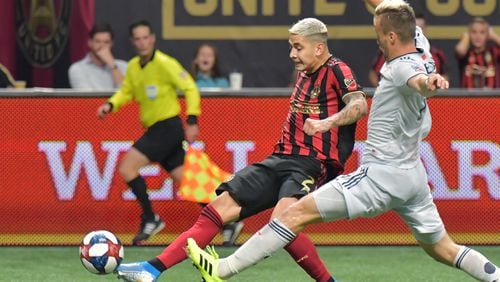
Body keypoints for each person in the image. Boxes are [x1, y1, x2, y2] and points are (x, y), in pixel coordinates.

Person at [186, 1, 500, 281]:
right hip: (412, 177)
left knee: (291, 215)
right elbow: (393, 11)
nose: (376, 37)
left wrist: (430, 84)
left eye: (379, 32)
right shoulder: (419, 43)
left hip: (380, 175)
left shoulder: (404, 66)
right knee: (444, 249)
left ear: (391, 37)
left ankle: (222, 270)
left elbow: (419, 82)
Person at [116, 17, 368, 282]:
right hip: (279, 158)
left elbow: (359, 106)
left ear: (318, 48)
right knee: (217, 208)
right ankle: (151, 269)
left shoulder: (337, 69)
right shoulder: (305, 72)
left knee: (284, 220)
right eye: (291, 47)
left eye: (298, 47)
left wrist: (326, 123)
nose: (292, 54)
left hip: (310, 163)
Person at [96, 20, 201, 245]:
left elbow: (190, 87)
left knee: (127, 168)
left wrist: (192, 119)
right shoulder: (134, 66)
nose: (143, 42)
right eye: (138, 38)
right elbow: (126, 92)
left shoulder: (165, 63)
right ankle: (227, 218)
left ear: (152, 39)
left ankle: (150, 218)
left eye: (146, 37)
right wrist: (111, 105)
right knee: (186, 181)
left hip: (168, 127)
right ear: (133, 42)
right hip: (156, 129)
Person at [367, 12, 449, 87]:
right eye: (414, 29)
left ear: (425, 29)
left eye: (420, 29)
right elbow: (373, 75)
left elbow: (443, 77)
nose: (417, 33)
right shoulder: (392, 52)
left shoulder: (436, 54)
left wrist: (436, 84)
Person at [69, 23, 127, 90]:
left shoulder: (124, 66)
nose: (102, 46)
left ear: (111, 44)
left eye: (106, 42)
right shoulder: (77, 68)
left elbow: (126, 93)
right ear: (90, 43)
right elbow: (86, 97)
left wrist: (113, 65)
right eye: (98, 41)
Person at [455, 17, 500, 88]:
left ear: (487, 35)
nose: (478, 36)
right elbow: (460, 51)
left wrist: (494, 35)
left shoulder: (493, 52)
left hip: (492, 98)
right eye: (474, 32)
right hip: (467, 98)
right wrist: (466, 37)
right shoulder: (466, 52)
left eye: (482, 32)